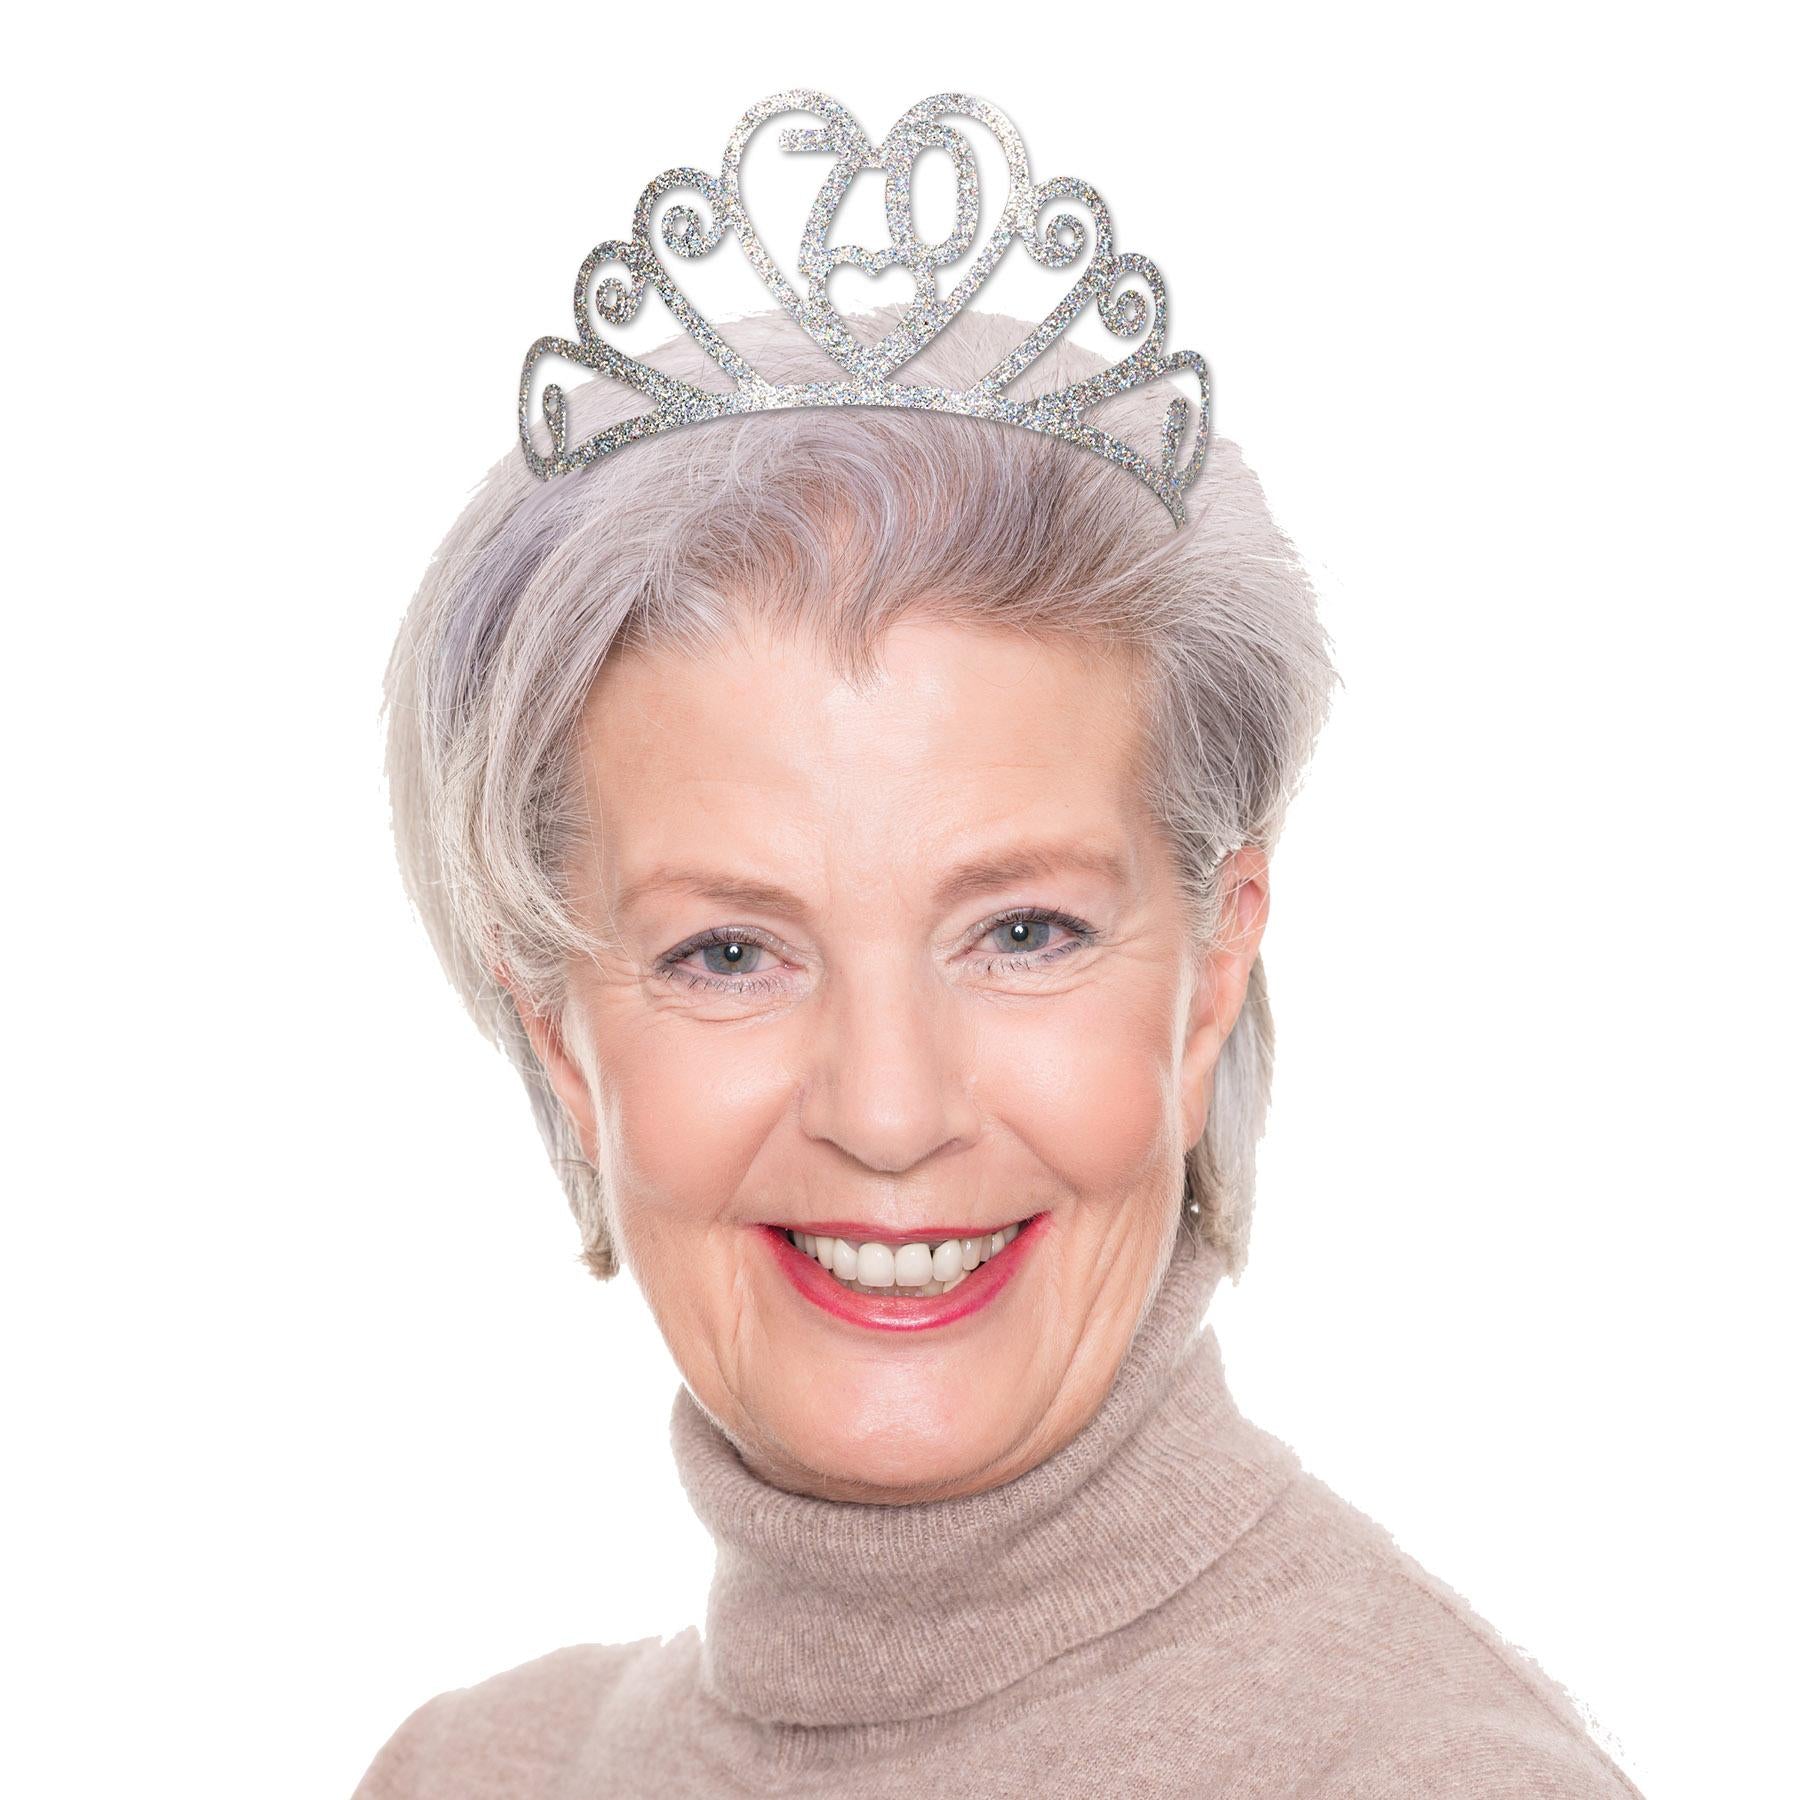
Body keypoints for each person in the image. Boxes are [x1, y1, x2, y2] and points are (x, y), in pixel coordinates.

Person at [355, 93, 1642, 1798]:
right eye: (727, 955)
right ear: (558, 1039)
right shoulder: (469, 1774)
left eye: (1024, 931)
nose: (890, 1113)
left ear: (1211, 976)